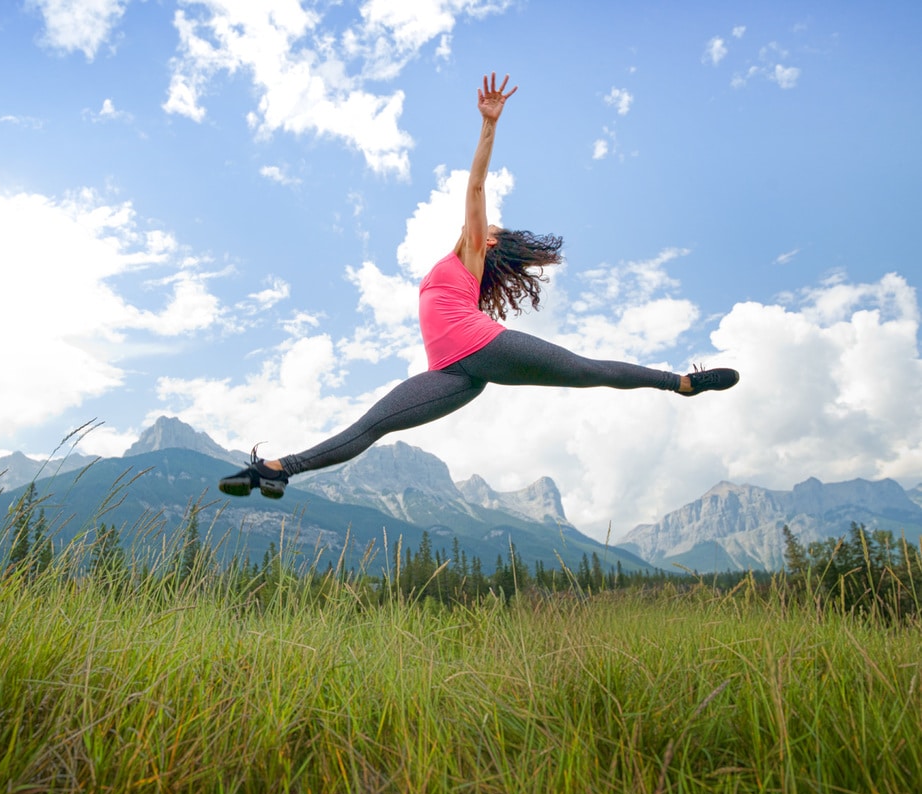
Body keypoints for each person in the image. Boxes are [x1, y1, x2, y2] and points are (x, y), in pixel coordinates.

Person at [219, 72, 738, 500]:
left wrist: (488, 127)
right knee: (373, 426)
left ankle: (682, 384)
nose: (480, 225)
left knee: (586, 370)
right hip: (451, 375)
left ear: (487, 245)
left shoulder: (468, 254)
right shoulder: (456, 265)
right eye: (484, 224)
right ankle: (277, 469)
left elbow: (475, 185)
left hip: (484, 345)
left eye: (486, 228)